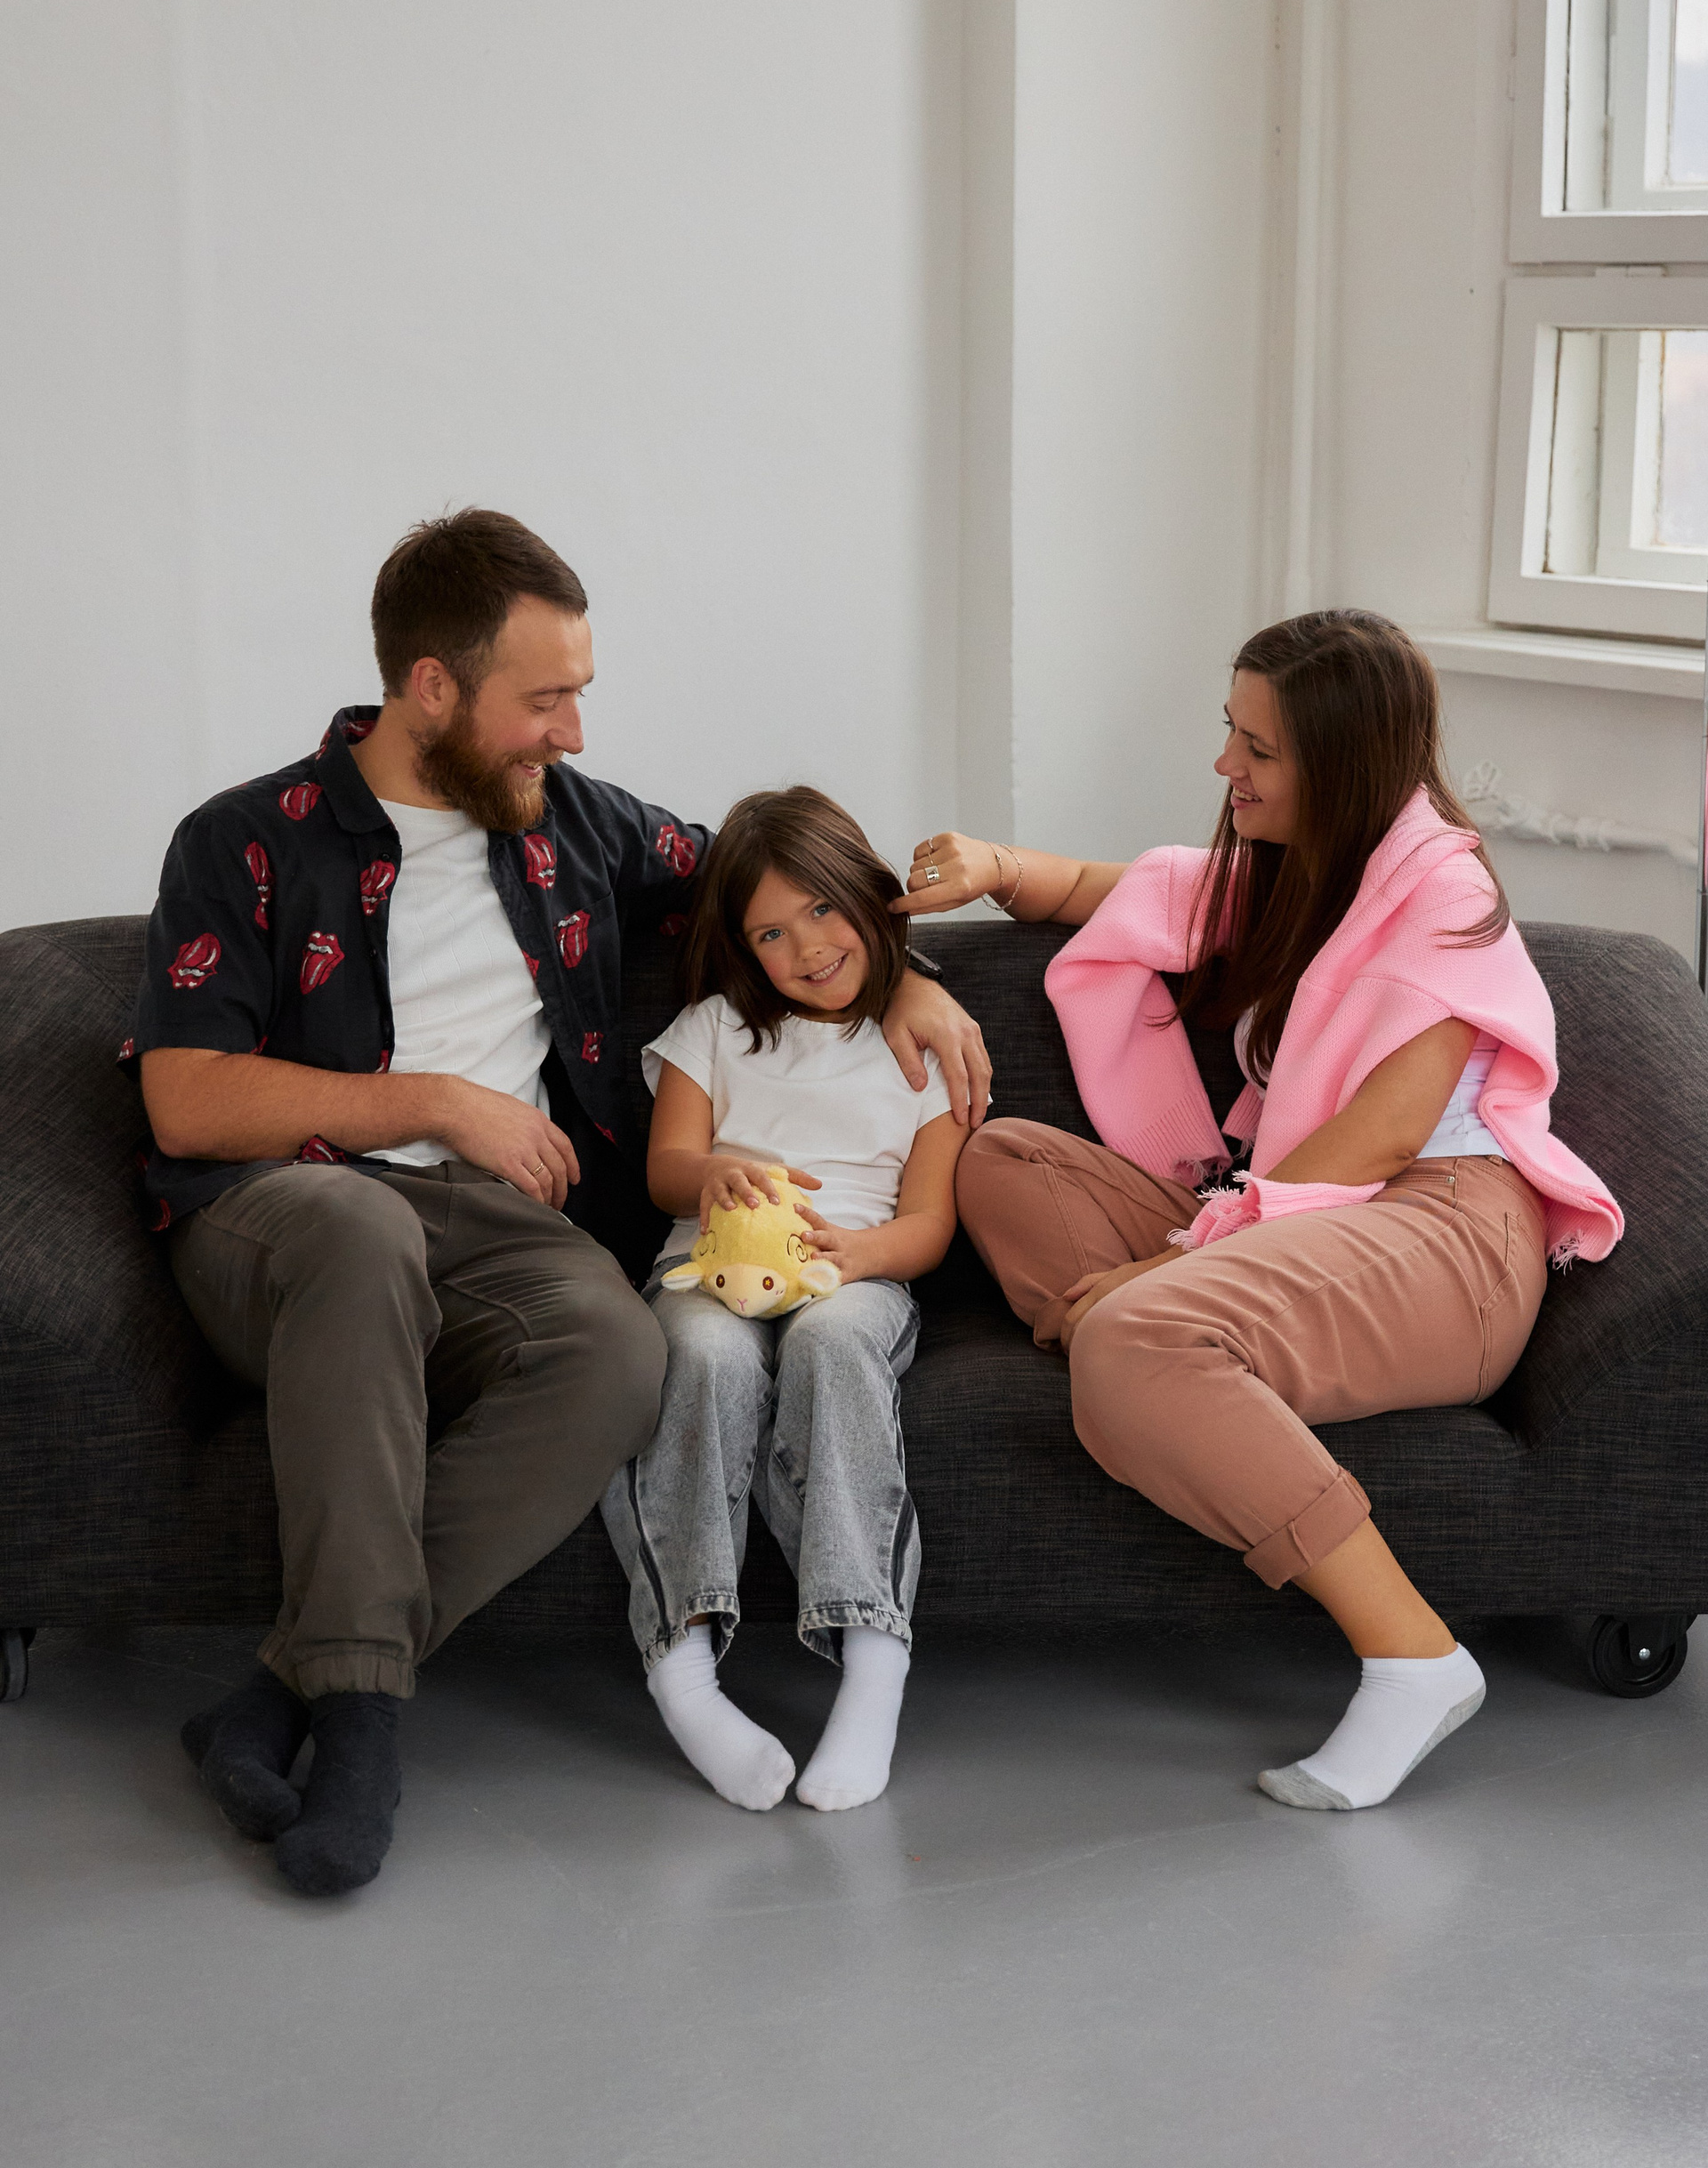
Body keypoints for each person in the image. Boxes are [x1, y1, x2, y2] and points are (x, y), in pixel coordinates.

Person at [128, 510, 988, 1895]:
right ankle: (362, 1733)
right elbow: (183, 1100)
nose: (574, 734)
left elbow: (777, 886)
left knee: (622, 1354)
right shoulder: (242, 842)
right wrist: (433, 1101)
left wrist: (912, 977)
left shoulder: (574, 826)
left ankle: (287, 1689)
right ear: (432, 687)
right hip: (286, 1212)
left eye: (579, 696)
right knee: (359, 1229)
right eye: (545, 701)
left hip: (501, 1232)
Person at [899, 609, 1622, 1812]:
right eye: (1230, 732)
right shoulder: (1317, 878)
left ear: (1340, 762)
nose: (1225, 765)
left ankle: (1413, 1655)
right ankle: (1175, 1371)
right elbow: (1132, 894)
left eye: (1259, 749)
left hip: (1446, 1238)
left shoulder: (1441, 897)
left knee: (1132, 1335)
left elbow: (1383, 1137)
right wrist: (996, 866)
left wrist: (1179, 1260)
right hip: (1313, 1216)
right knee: (1004, 1159)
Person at [601, 787, 967, 1812]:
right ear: (742, 947)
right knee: (703, 1355)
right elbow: (665, 1171)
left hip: (855, 1272)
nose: (805, 947)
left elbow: (930, 1225)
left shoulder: (922, 1049)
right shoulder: (714, 1030)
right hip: (709, 1265)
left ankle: (873, 1661)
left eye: (821, 909)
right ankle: (682, 1668)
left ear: (866, 895)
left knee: (832, 1347)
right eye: (771, 932)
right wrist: (711, 1170)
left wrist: (858, 1255)